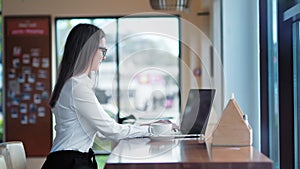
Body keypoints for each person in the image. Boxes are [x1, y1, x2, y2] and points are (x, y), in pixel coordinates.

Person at [41, 23, 154, 169]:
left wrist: (142, 128)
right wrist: (151, 129)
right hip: (69, 163)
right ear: (89, 49)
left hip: (69, 160)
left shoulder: (74, 83)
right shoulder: (77, 86)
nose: (104, 56)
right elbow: (111, 130)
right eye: (103, 50)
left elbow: (101, 131)